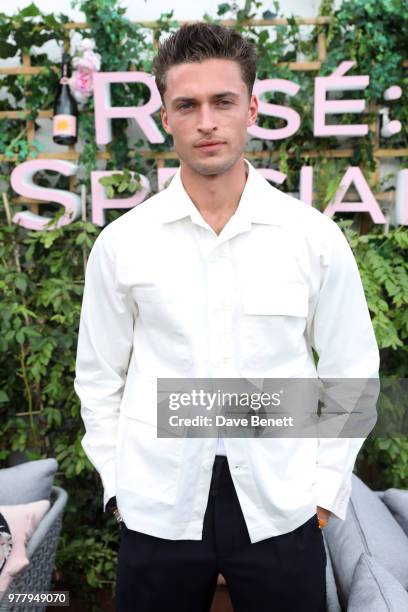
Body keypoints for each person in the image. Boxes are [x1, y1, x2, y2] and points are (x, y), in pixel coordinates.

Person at [74, 22, 380, 612]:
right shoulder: (123, 243)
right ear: (165, 116)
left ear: (252, 107)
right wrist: (120, 485)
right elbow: (98, 376)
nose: (206, 121)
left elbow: (352, 371)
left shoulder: (310, 238)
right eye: (187, 105)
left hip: (281, 502)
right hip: (158, 502)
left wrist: (322, 491)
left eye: (223, 101)